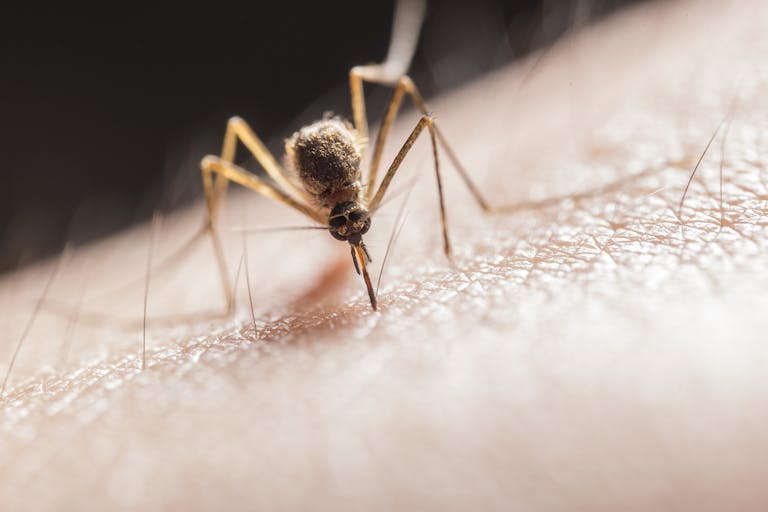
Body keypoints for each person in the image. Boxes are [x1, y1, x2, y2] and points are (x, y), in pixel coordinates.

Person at [1, 0, 767, 509]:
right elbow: (230, 162)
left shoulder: (361, 182)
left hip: (344, 158)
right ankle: (211, 292)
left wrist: (462, 227)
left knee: (412, 117)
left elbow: (423, 124)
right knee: (224, 154)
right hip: (319, 163)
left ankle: (494, 208)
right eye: (349, 228)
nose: (357, 240)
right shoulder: (318, 197)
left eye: (354, 227)